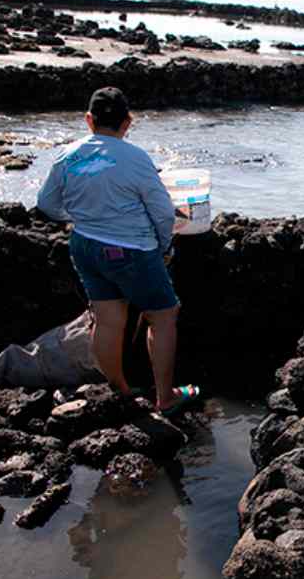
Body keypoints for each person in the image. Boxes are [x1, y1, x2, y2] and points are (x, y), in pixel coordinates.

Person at [36, 86, 198, 415]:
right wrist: (164, 247)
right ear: (128, 122)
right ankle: (165, 398)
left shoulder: (68, 156)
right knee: (163, 317)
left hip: (85, 245)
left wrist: (80, 217)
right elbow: (164, 213)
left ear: (89, 120)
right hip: (132, 250)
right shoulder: (136, 158)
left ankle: (121, 391)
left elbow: (47, 205)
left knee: (108, 320)